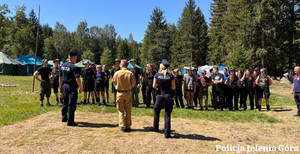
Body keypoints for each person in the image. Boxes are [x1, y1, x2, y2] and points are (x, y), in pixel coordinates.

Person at [151, 59, 175, 138]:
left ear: (161, 67)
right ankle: (167, 133)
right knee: (167, 114)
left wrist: (159, 88)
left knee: (156, 110)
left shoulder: (157, 75)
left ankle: (155, 128)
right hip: (168, 96)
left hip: (160, 96)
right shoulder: (171, 76)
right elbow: (173, 87)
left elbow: (154, 86)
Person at [59, 51, 82, 126]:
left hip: (65, 85)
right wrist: (81, 87)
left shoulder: (63, 65)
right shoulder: (73, 66)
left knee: (65, 102)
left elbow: (60, 77)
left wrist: (60, 86)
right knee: (71, 104)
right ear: (74, 57)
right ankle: (70, 121)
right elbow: (77, 78)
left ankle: (64, 117)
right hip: (72, 86)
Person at [112, 59, 135, 132]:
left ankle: (122, 126)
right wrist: (129, 87)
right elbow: (133, 84)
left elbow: (114, 82)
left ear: (121, 65)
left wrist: (117, 87)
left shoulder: (117, 73)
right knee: (128, 110)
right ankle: (128, 126)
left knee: (121, 110)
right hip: (128, 92)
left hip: (120, 93)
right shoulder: (130, 73)